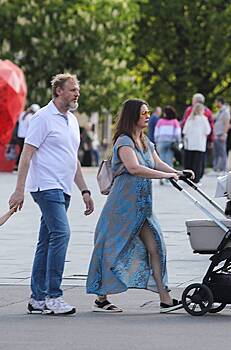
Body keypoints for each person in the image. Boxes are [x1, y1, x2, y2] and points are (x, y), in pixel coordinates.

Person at [86, 99, 186, 313]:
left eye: (148, 112)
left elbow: (156, 162)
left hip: (142, 207)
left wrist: (177, 173)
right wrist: (167, 175)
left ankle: (165, 298)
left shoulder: (144, 141)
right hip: (122, 206)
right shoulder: (124, 141)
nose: (148, 115)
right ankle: (100, 298)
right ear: (133, 116)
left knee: (156, 247)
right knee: (111, 248)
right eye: (143, 113)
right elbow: (134, 168)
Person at [8, 73, 95, 316]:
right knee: (62, 233)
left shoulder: (71, 120)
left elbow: (72, 159)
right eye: (73, 89)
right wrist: (19, 189)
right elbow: (26, 155)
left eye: (77, 89)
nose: (77, 93)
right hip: (46, 186)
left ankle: (37, 299)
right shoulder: (43, 118)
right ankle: (53, 296)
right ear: (58, 91)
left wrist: (84, 190)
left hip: (64, 187)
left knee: (46, 241)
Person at [182, 103, 211, 183]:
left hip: (189, 145)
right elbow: (208, 131)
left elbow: (184, 131)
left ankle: (187, 178)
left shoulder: (189, 119)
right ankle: (196, 179)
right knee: (198, 163)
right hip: (200, 145)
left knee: (189, 162)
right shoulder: (204, 119)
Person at [154, 105, 181, 183]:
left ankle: (161, 178)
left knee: (161, 160)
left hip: (160, 142)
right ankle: (169, 179)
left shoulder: (160, 121)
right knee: (169, 160)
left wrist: (156, 141)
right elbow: (177, 134)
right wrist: (178, 142)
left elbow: (156, 133)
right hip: (170, 143)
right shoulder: (175, 122)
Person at [212, 97, 230, 174]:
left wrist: (224, 134)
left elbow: (227, 123)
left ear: (220, 102)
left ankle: (223, 170)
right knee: (216, 153)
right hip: (216, 135)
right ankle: (216, 168)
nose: (215, 104)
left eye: (216, 102)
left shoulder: (225, 112)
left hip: (221, 135)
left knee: (222, 153)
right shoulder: (219, 112)